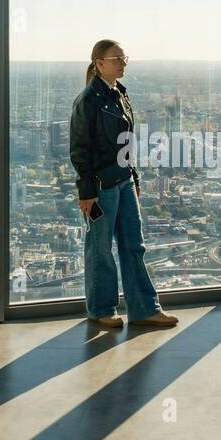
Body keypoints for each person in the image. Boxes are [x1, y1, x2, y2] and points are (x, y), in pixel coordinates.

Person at [69, 40, 178, 330]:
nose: (123, 63)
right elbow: (80, 150)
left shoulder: (119, 94)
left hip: (124, 182)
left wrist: (134, 176)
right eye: (116, 58)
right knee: (100, 249)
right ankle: (101, 310)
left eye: (124, 57)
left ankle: (144, 310)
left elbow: (124, 143)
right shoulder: (88, 100)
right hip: (101, 186)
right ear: (99, 63)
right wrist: (87, 192)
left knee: (134, 246)